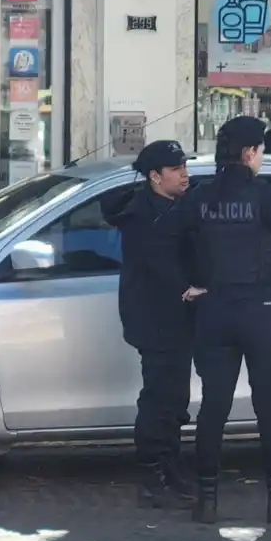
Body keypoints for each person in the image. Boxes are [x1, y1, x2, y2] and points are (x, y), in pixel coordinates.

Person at [179, 115, 271, 524]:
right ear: (251, 152)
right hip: (262, 312)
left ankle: (207, 500)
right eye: (261, 152)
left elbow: (180, 248)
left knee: (213, 408)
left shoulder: (198, 198)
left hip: (214, 312)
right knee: (270, 408)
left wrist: (195, 283)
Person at [101, 140, 197, 509]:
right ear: (156, 177)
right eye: (175, 169)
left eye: (185, 166)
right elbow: (160, 265)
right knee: (159, 395)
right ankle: (153, 472)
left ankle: (169, 466)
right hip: (155, 318)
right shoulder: (144, 214)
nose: (184, 174)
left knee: (174, 395)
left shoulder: (176, 205)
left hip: (178, 318)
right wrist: (188, 288)